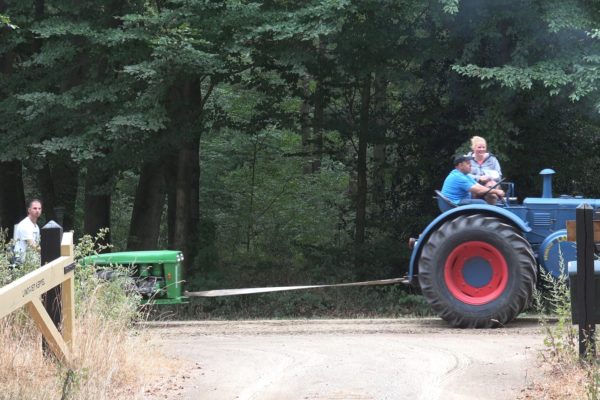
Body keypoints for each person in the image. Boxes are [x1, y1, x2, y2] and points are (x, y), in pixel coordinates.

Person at [13, 199, 42, 263]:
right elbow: (32, 244)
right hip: (20, 262)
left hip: (30, 261)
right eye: (35, 208)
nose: (37, 210)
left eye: (39, 208)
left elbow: (36, 245)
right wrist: (46, 252)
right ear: (29, 210)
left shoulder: (36, 227)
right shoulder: (25, 224)